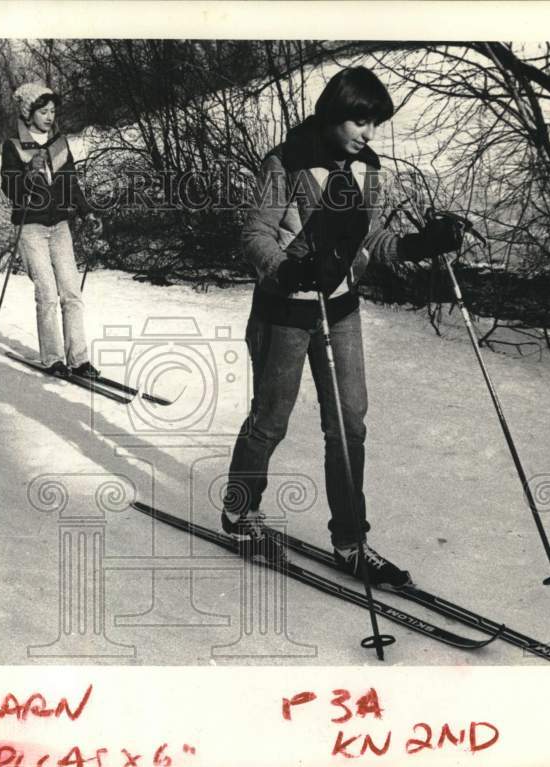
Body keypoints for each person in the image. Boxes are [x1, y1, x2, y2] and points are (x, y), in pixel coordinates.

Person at [221, 67, 464, 586]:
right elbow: (255, 234)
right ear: (334, 114)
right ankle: (240, 511)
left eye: (375, 123)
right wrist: (286, 270)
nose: (368, 133)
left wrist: (420, 245)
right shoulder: (286, 162)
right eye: (360, 121)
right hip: (285, 312)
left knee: (349, 425)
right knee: (270, 421)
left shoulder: (367, 168)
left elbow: (370, 240)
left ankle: (351, 541)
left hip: (340, 310)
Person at [0, 82, 103, 379]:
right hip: (31, 227)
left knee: (71, 292)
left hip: (59, 225)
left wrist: (87, 212)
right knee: (46, 294)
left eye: (53, 111)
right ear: (28, 113)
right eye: (43, 111)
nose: (49, 117)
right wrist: (29, 171)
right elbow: (10, 189)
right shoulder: (14, 146)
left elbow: (71, 184)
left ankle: (79, 360)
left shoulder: (59, 144)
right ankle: (53, 358)